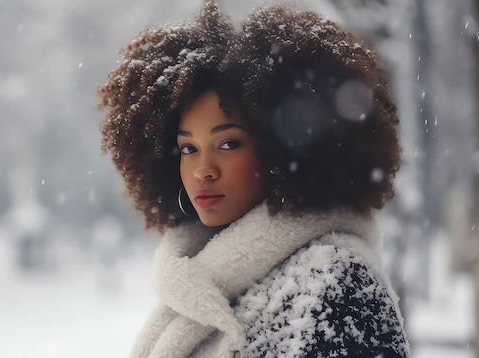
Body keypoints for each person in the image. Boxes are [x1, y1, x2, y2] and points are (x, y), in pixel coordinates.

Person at [98, 1, 410, 357]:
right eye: (188, 149)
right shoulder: (190, 288)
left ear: (282, 149)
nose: (203, 169)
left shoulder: (338, 280)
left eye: (229, 143)